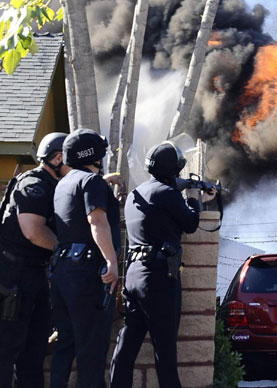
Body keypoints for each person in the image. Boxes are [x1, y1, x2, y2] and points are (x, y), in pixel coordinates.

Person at [110, 141, 216, 388]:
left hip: (134, 275)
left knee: (126, 346)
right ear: (175, 169)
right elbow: (190, 224)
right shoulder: (168, 194)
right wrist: (194, 197)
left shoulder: (137, 193)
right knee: (165, 351)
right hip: (158, 277)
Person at [50, 129, 121, 388]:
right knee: (91, 349)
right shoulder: (91, 182)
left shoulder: (62, 184)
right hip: (87, 272)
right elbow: (97, 221)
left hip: (62, 271)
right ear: (94, 154)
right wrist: (111, 261)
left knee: (65, 344)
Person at [0, 132, 69, 388]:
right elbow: (33, 230)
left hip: (32, 275)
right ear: (58, 158)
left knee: (33, 351)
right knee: (8, 349)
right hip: (14, 277)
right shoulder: (35, 185)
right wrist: (65, 250)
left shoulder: (52, 184)